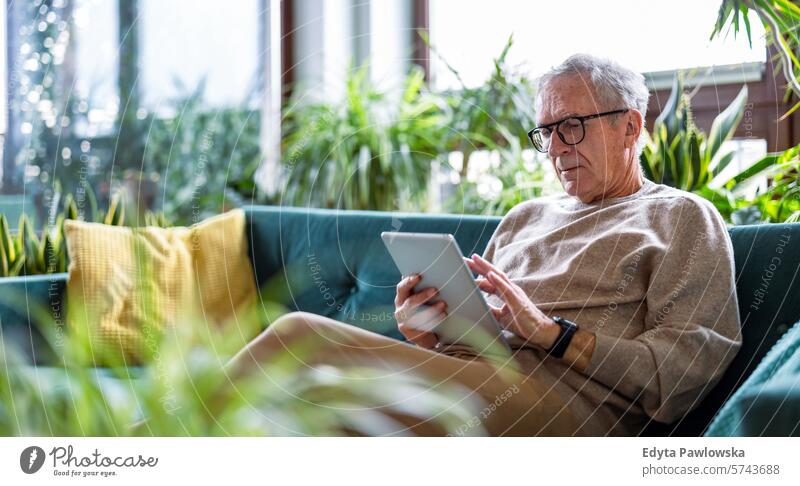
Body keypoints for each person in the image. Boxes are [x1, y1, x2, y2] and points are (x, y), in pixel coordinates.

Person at [227, 53, 742, 436]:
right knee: (301, 410)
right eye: (546, 133)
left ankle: (152, 444)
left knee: (299, 337)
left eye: (572, 128)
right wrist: (427, 332)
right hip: (482, 382)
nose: (557, 149)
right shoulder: (526, 217)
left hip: (573, 409)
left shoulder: (682, 217)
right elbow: (477, 339)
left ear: (630, 126)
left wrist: (552, 334)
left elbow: (681, 376)